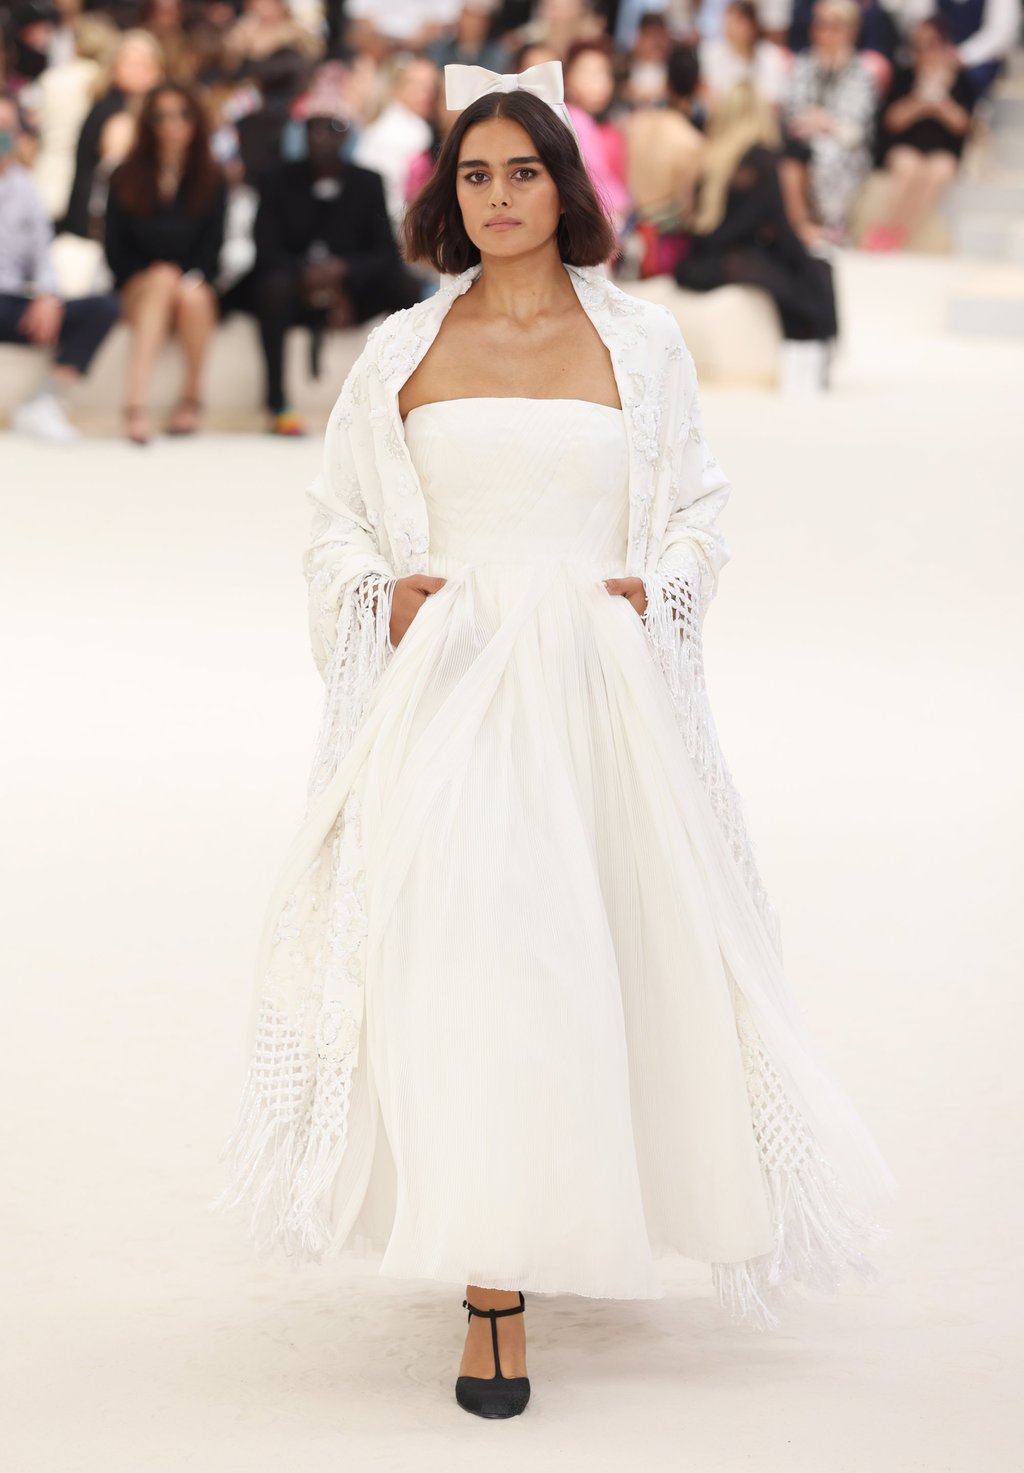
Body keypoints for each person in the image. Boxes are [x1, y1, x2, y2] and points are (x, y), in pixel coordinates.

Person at [213, 62, 895, 1419]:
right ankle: (491, 1286)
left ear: (565, 185)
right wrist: (379, 596)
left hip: (595, 696)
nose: (499, 196)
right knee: (469, 966)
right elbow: (337, 518)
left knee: (579, 966)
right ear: (447, 196)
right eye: (474, 174)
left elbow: (696, 504)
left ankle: (557, 1213)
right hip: (450, 693)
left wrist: (666, 590)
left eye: (523, 171)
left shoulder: (640, 343)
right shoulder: (402, 349)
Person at [245, 88, 420, 435]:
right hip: (293, 288)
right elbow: (266, 249)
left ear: (348, 135)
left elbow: (385, 253)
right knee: (272, 287)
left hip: (352, 290)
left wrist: (343, 273)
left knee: (405, 287)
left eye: (332, 127)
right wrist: (306, 274)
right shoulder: (276, 179)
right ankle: (277, 404)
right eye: (313, 127)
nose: (321, 136)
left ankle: (403, 397)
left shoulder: (368, 181)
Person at [676, 81, 839, 389]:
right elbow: (780, 226)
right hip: (732, 259)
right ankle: (817, 356)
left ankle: (812, 355)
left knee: (806, 272)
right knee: (816, 271)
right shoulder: (762, 160)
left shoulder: (707, 157)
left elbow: (697, 222)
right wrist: (804, 258)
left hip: (696, 264)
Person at [103, 82, 227, 442]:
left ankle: (191, 398)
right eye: (162, 116)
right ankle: (135, 404)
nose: (174, 124)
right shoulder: (125, 175)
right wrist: (159, 275)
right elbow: (115, 250)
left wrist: (185, 278)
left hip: (190, 286)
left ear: (196, 120)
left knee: (193, 295)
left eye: (183, 115)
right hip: (139, 285)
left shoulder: (212, 177)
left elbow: (212, 249)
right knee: (161, 280)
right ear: (149, 123)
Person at [0, 87, 119, 441]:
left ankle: (44, 403)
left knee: (102, 307)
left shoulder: (26, 187)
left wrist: (47, 295)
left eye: (6, 129)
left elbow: (42, 256)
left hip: (13, 303)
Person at [863, 14, 977, 249]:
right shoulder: (905, 76)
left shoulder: (960, 80)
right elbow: (891, 122)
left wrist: (941, 101)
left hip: (944, 150)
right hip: (907, 146)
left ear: (944, 44)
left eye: (931, 44)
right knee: (908, 168)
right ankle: (883, 229)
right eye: (918, 45)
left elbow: (963, 126)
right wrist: (919, 101)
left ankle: (900, 234)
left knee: (939, 171)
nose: (924, 51)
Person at [779, 0, 877, 244]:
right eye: (821, 25)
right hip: (803, 136)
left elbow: (857, 126)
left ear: (850, 31)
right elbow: (793, 109)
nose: (826, 33)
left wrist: (825, 123)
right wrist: (813, 122)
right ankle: (799, 226)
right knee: (790, 155)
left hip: (845, 146)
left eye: (835, 26)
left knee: (827, 155)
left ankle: (831, 225)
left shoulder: (861, 70)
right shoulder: (804, 63)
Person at [623, 41, 707, 277]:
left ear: (666, 82)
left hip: (629, 238)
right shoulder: (693, 142)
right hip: (665, 250)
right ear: (699, 86)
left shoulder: (635, 123)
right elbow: (687, 210)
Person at [700, 0, 793, 108]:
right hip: (724, 115)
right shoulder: (711, 53)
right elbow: (709, 96)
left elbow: (776, 99)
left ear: (753, 25)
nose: (731, 27)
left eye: (738, 22)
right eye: (728, 22)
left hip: (761, 116)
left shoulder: (773, 55)